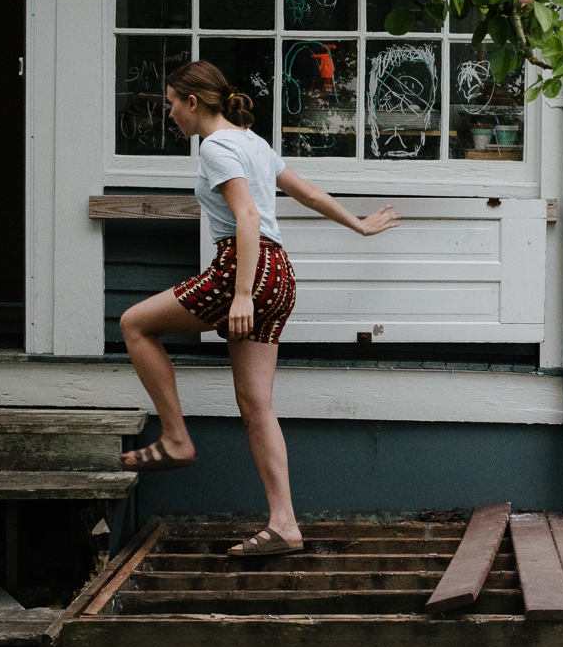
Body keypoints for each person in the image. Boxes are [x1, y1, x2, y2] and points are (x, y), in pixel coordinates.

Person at [118, 61, 400, 556]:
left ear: (194, 102)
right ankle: (285, 524)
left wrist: (243, 292)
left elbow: (246, 216)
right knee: (257, 406)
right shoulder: (252, 140)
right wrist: (358, 224)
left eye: (170, 103)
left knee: (134, 324)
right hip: (280, 274)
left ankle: (177, 438)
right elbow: (305, 192)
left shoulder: (216, 146)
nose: (169, 114)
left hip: (243, 269)